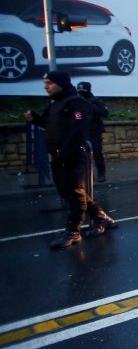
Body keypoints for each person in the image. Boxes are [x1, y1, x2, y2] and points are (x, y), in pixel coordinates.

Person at [24, 71, 117, 249]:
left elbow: (78, 130)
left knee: (74, 192)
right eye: (45, 83)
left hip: (73, 153)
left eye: (50, 83)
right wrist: (35, 119)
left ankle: (73, 231)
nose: (46, 86)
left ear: (61, 83)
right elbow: (50, 124)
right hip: (58, 154)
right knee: (70, 192)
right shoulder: (55, 104)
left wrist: (64, 153)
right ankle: (100, 217)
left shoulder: (77, 103)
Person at [76, 81, 109, 182]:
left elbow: (104, 112)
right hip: (82, 132)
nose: (81, 93)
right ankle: (87, 175)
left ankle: (101, 173)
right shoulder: (77, 102)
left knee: (97, 153)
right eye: (79, 90)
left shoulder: (96, 101)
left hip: (94, 131)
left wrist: (91, 107)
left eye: (83, 90)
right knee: (82, 155)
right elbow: (76, 116)